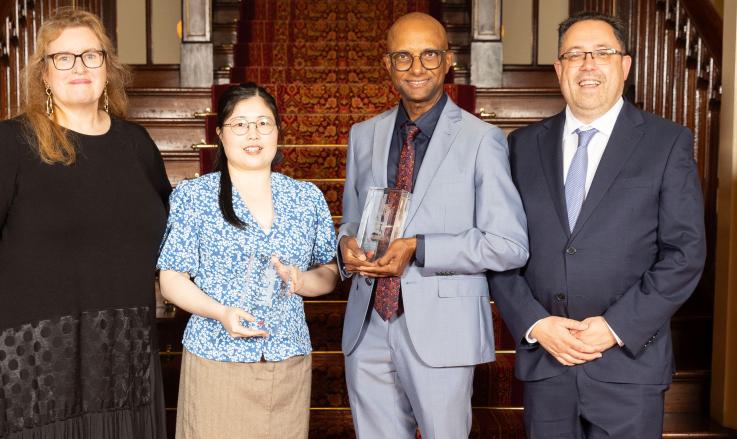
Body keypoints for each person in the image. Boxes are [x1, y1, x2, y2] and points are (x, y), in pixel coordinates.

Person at [0, 8, 170, 438]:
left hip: (123, 364)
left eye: (91, 55)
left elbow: (175, 239)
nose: (79, 67)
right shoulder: (11, 144)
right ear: (44, 74)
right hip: (34, 369)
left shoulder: (137, 146)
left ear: (109, 68)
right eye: (62, 58)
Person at [488, 11, 706, 438]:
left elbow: (685, 254)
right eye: (575, 55)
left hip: (630, 368)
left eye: (602, 53)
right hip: (548, 365)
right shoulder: (522, 146)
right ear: (559, 68)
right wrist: (535, 323)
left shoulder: (667, 143)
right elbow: (500, 247)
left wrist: (614, 327)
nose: (588, 65)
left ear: (624, 65)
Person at [337, 12, 529, 438]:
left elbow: (508, 243)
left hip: (442, 329)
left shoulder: (483, 139)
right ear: (387, 65)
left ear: (448, 62)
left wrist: (418, 247)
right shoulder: (363, 134)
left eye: (429, 55)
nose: (416, 67)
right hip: (368, 325)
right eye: (403, 57)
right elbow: (352, 217)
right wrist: (346, 242)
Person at [157, 82, 339, 439]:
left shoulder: (305, 198)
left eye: (263, 123)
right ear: (221, 135)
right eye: (240, 124)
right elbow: (171, 280)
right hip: (216, 360)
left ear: (277, 132)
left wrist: (301, 281)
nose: (253, 133)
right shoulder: (194, 197)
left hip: (287, 360)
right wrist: (222, 313)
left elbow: (329, 272)